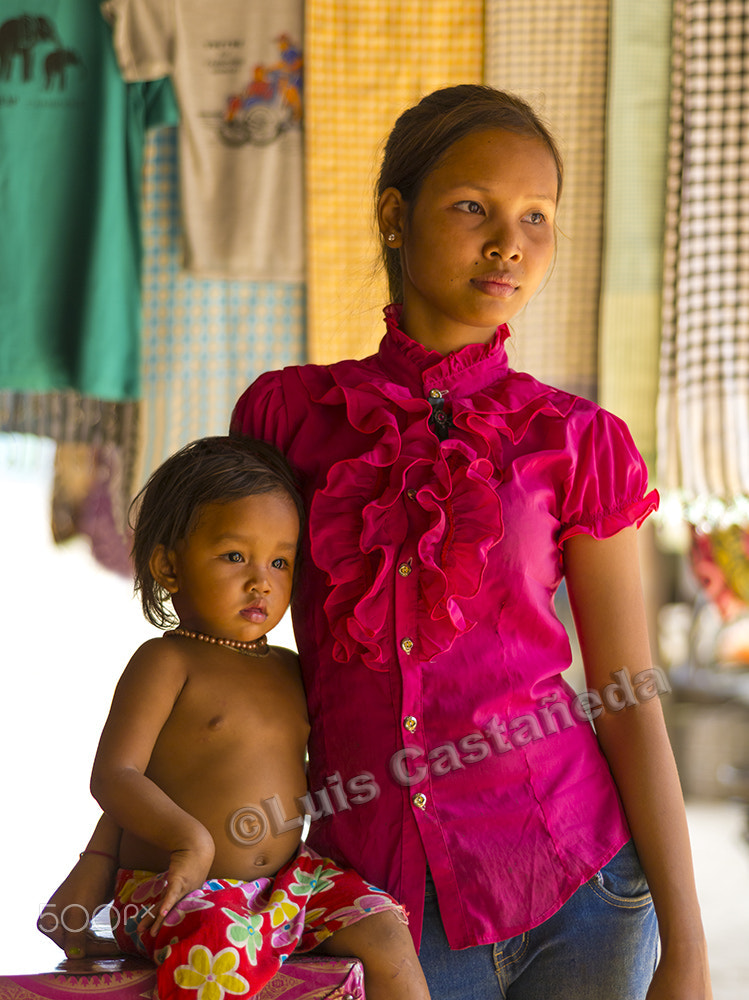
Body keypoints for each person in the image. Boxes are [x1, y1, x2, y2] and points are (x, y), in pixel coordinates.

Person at [41, 86, 711, 999]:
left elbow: (627, 696)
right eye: (472, 207)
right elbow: (218, 666)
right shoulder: (286, 415)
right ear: (395, 216)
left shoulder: (579, 441)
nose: (508, 242)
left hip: (581, 884)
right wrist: (106, 849)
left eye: (536, 217)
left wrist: (689, 946)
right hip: (376, 908)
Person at [59, 436, 430, 1000]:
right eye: (235, 556)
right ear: (168, 565)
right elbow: (116, 776)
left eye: (280, 561)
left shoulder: (290, 668)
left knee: (385, 927)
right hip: (181, 887)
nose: (262, 580)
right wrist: (188, 841)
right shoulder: (166, 660)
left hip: (289, 884)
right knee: (217, 950)